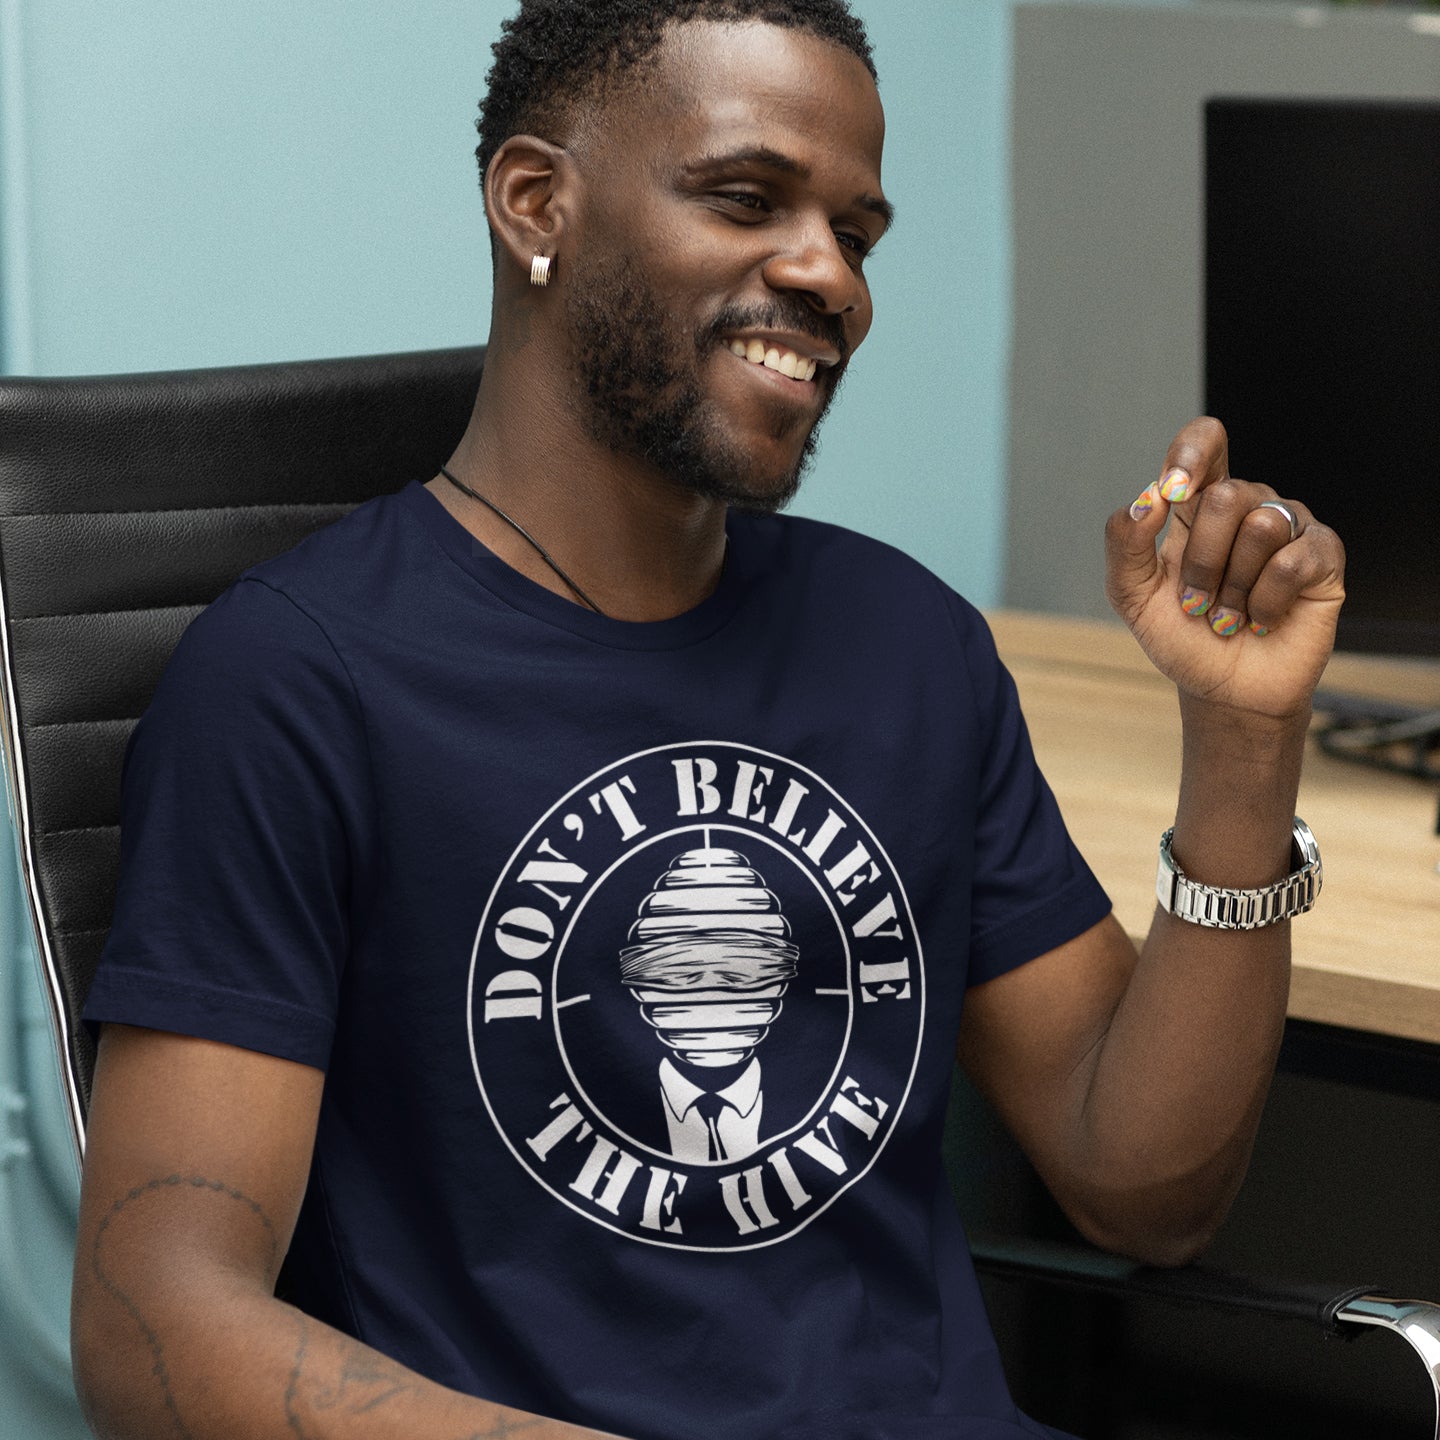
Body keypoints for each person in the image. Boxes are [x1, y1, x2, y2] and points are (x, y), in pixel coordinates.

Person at [69, 2, 1346, 1437]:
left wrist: (1244, 743)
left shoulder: (907, 644)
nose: (831, 278)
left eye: (857, 234)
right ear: (536, 203)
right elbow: (152, 1325)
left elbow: (1145, 1191)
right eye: (749, 199)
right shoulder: (298, 679)